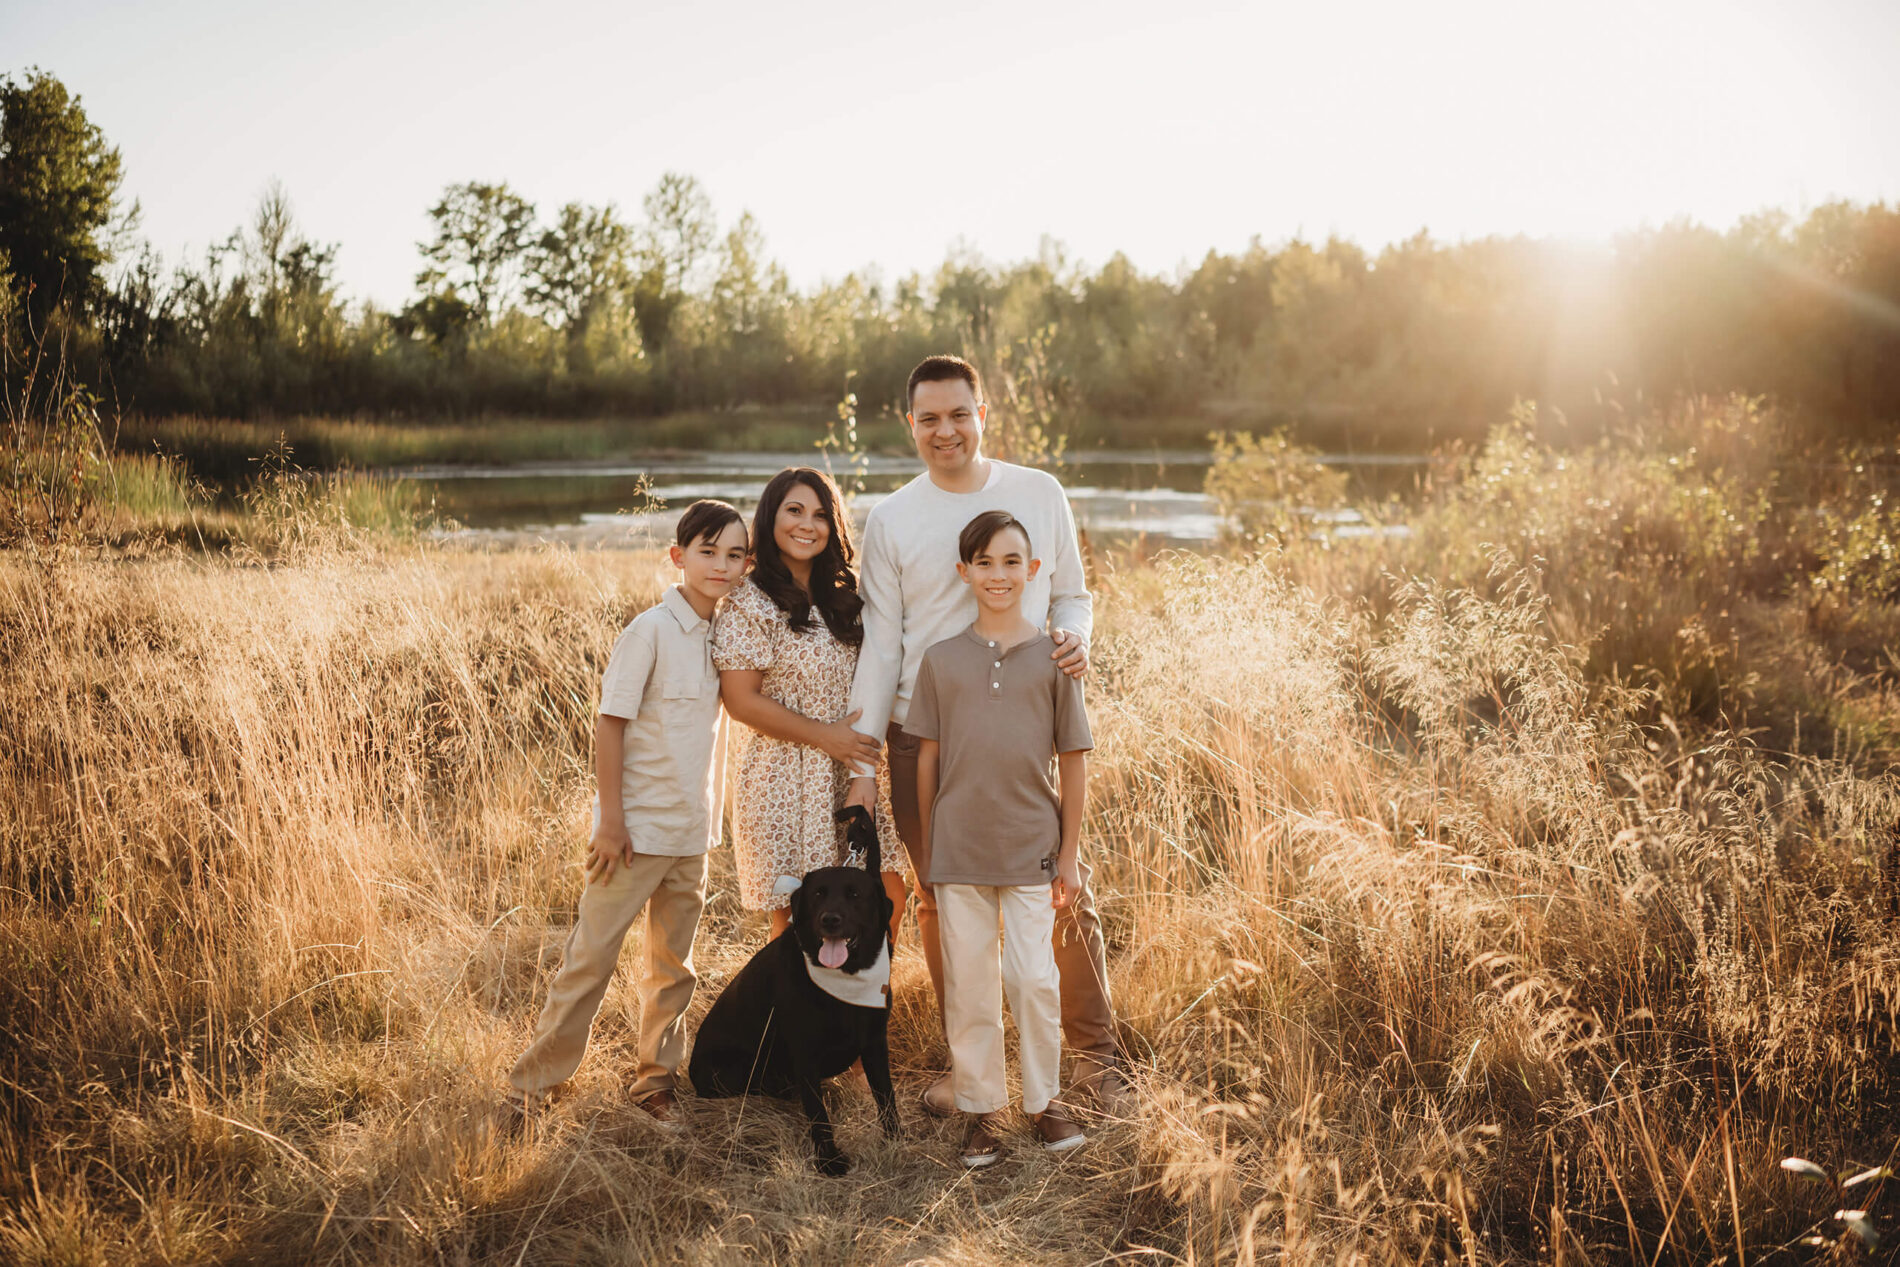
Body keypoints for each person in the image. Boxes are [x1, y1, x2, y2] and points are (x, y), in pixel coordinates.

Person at [845, 354, 1127, 1116]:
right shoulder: (894, 518)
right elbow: (882, 644)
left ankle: (1097, 1061)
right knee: (941, 894)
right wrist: (865, 757)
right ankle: (975, 1073)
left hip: (1021, 724)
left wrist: (1071, 637)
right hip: (923, 735)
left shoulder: (1039, 492)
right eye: (929, 417)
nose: (946, 430)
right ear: (911, 424)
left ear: (983, 413)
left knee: (1065, 888)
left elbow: (1071, 592)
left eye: (959, 413)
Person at [505, 500, 749, 1130]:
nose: (721, 565)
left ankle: (655, 1080)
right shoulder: (649, 631)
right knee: (592, 957)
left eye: (734, 554)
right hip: (633, 833)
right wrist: (611, 821)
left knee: (675, 965)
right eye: (707, 551)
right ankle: (533, 1086)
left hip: (691, 832)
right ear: (678, 556)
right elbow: (609, 725)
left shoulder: (727, 637)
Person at [905, 509, 1092, 1166]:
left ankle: (1045, 1102)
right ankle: (983, 1111)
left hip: (1031, 849)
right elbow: (926, 760)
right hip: (958, 851)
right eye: (984, 562)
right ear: (965, 573)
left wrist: (1068, 856)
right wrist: (929, 849)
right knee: (971, 983)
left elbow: (1074, 759)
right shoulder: (941, 660)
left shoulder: (1055, 658)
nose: (998, 574)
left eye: (1011, 561)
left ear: (1033, 570)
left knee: (1034, 978)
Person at [714, 467, 906, 944]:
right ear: (769, 517)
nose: (807, 525)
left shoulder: (846, 597)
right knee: (801, 922)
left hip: (853, 772)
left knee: (887, 899)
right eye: (794, 511)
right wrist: (826, 737)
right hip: (784, 779)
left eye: (821, 515)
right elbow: (740, 701)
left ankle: (862, 1011)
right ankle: (802, 1018)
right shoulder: (748, 600)